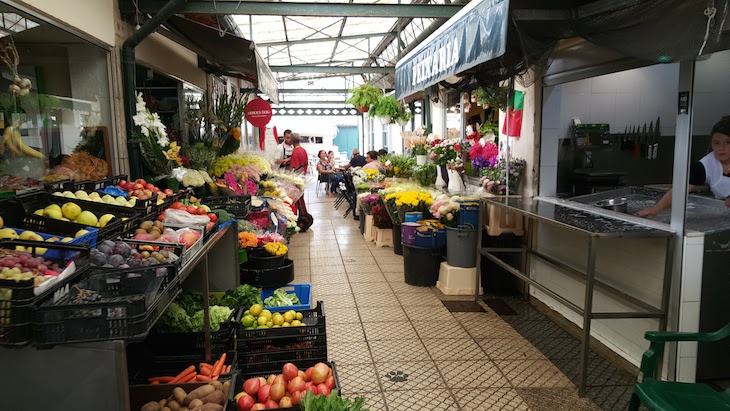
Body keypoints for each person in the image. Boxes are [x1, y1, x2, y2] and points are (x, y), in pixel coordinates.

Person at [639, 116, 730, 218]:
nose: (721, 148)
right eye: (716, 143)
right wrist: (657, 208)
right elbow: (681, 189)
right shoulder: (706, 165)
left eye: (728, 142)